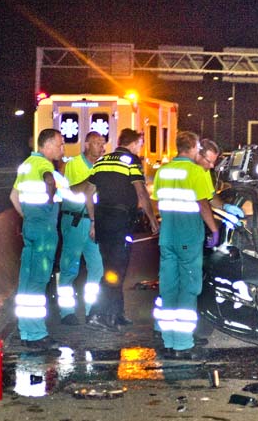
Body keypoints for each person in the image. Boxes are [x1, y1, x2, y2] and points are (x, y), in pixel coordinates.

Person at [152, 131, 220, 360]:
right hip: (188, 238)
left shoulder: (163, 171)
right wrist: (214, 228)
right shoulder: (195, 171)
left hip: (167, 238)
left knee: (168, 289)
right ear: (193, 147)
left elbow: (158, 202)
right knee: (188, 290)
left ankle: (168, 340)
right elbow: (203, 203)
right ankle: (182, 344)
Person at [87, 128, 159, 330]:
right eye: (140, 143)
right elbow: (141, 192)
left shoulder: (102, 161)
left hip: (103, 222)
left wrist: (93, 219)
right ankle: (98, 314)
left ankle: (117, 313)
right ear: (133, 143)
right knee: (115, 269)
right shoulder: (131, 161)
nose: (141, 148)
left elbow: (88, 193)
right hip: (120, 222)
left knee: (114, 266)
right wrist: (152, 219)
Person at [9, 128, 65, 349]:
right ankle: (36, 335)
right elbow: (49, 180)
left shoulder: (26, 165)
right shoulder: (44, 165)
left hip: (30, 227)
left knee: (25, 282)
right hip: (44, 231)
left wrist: (27, 215)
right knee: (38, 283)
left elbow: (13, 196)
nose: (62, 148)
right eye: (60, 144)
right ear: (48, 144)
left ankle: (25, 330)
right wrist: (49, 201)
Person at [57, 132, 105, 326]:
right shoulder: (74, 164)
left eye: (103, 143)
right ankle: (66, 312)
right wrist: (93, 178)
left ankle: (91, 310)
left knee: (97, 268)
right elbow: (79, 192)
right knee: (69, 269)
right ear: (86, 145)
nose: (101, 147)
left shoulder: (102, 165)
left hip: (93, 222)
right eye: (97, 143)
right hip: (75, 221)